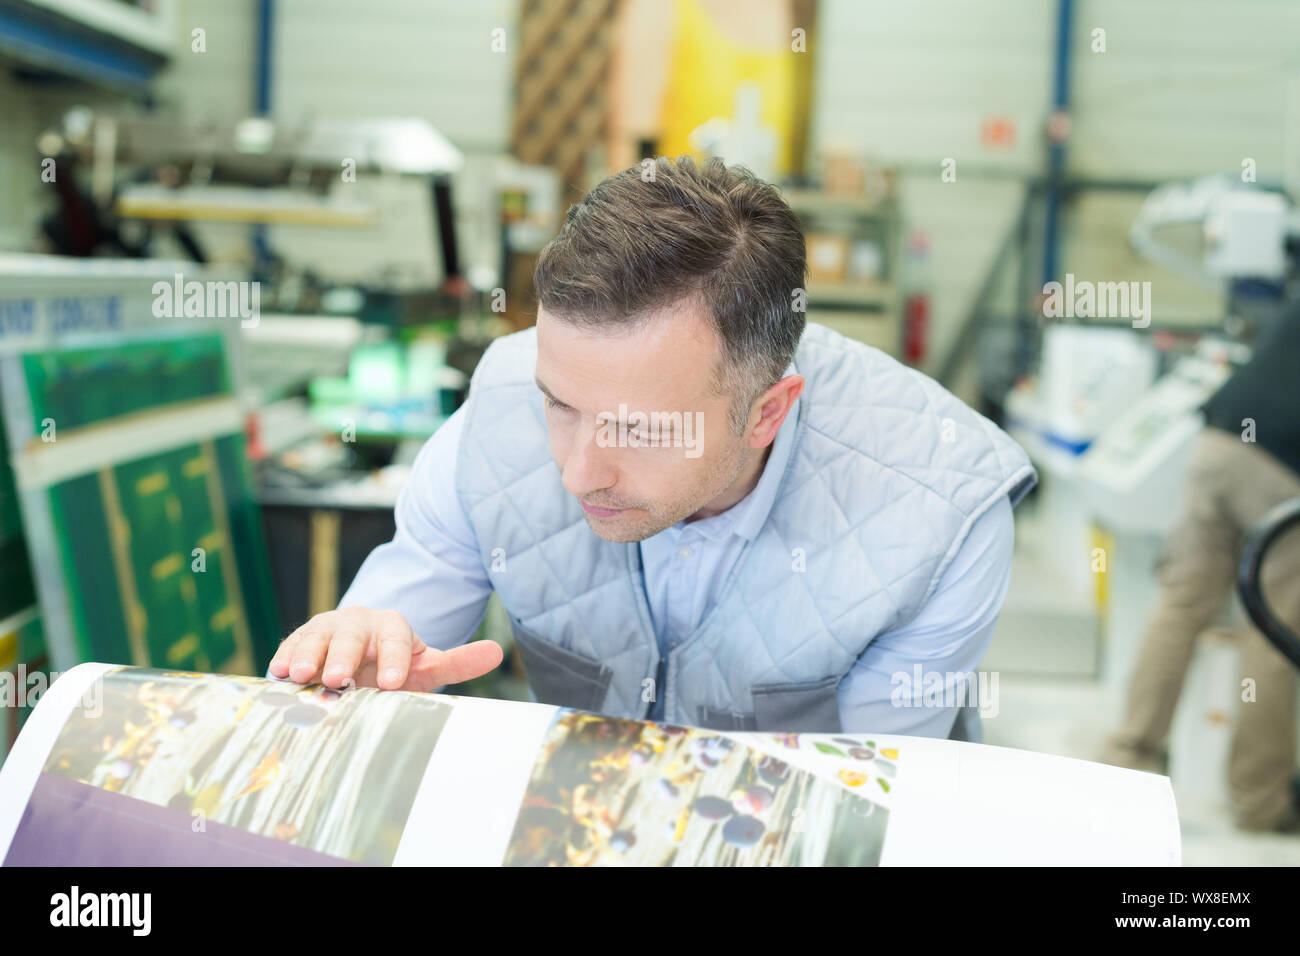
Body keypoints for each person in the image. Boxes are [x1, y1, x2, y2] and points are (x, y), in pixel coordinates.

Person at [269, 156, 1036, 738]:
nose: (577, 472)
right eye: (561, 405)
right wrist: (361, 650)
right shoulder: (497, 408)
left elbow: (871, 808)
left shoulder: (941, 512)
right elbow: (396, 625)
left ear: (767, 412)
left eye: (640, 428)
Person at [1103, 307, 1300, 832]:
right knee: (1271, 630)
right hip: (1282, 464)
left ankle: (1129, 761)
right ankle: (1260, 802)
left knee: (1180, 605)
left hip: (1220, 441)